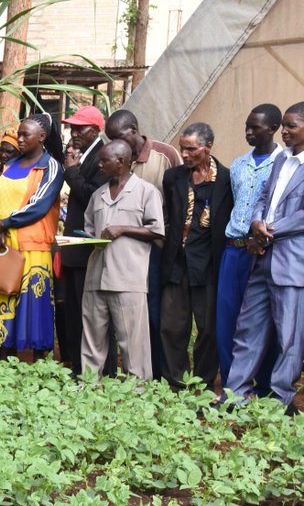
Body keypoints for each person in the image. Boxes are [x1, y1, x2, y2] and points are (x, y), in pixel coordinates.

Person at [227, 101, 304, 413]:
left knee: (289, 339)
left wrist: (268, 229)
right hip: (263, 256)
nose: (284, 131)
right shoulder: (280, 159)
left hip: (293, 263)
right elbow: (262, 197)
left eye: (291, 126)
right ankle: (233, 396)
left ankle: (279, 399)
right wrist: (256, 222)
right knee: (248, 330)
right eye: (283, 125)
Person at [0, 115, 64, 356]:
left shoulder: (50, 166)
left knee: (32, 304)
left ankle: (38, 360)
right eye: (19, 134)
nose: (19, 139)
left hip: (32, 246)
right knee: (3, 297)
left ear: (42, 137)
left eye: (26, 135)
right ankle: (5, 355)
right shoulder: (11, 165)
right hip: (3, 242)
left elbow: (38, 205)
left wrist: (4, 224)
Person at [105, 109, 182, 379]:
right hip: (126, 249)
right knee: (132, 313)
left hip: (157, 246)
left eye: (119, 136)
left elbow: (179, 198)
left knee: (155, 311)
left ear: (134, 130)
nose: (116, 142)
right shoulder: (115, 158)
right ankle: (138, 370)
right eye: (111, 138)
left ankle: (161, 372)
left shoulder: (165, 155)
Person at [80, 141, 165, 381]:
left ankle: (137, 392)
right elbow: (89, 230)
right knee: (92, 340)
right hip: (96, 277)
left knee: (133, 343)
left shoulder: (146, 192)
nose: (99, 164)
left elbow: (157, 231)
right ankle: (88, 387)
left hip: (128, 279)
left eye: (104, 160)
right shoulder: (98, 195)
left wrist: (123, 229)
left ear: (121, 162)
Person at [160, 122, 233, 389]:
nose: (185, 154)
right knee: (172, 328)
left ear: (208, 147)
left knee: (208, 331)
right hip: (176, 265)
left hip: (208, 266)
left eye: (191, 149)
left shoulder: (226, 179)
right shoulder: (174, 177)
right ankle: (176, 384)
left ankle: (201, 384)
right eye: (182, 149)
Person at [217, 104, 282, 393]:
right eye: (247, 126)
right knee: (227, 319)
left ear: (273, 129)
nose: (248, 132)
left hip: (266, 252)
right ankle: (233, 384)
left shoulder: (286, 163)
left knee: (264, 322)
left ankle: (265, 385)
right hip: (234, 250)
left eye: (255, 127)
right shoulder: (239, 165)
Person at [59, 104, 109, 376]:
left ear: (95, 130)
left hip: (87, 246)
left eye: (80, 128)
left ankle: (93, 369)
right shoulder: (81, 155)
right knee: (73, 307)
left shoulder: (102, 156)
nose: (74, 132)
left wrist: (72, 171)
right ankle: (77, 364)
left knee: (88, 310)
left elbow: (93, 196)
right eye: (72, 127)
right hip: (73, 246)